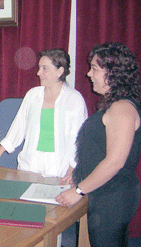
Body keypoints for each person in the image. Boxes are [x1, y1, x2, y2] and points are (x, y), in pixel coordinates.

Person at [56, 42, 141, 246]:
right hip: (105, 192)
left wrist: (78, 191)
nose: (88, 74)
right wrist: (78, 176)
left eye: (94, 68)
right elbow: (98, 150)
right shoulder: (117, 104)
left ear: (114, 72)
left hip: (112, 197)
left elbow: (114, 162)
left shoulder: (121, 109)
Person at [0, 49, 88, 182]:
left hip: (59, 171)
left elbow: (79, 140)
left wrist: (71, 171)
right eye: (39, 68)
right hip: (29, 167)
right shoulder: (33, 95)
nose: (38, 73)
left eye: (45, 68)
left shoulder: (74, 100)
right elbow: (18, 128)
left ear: (60, 71)